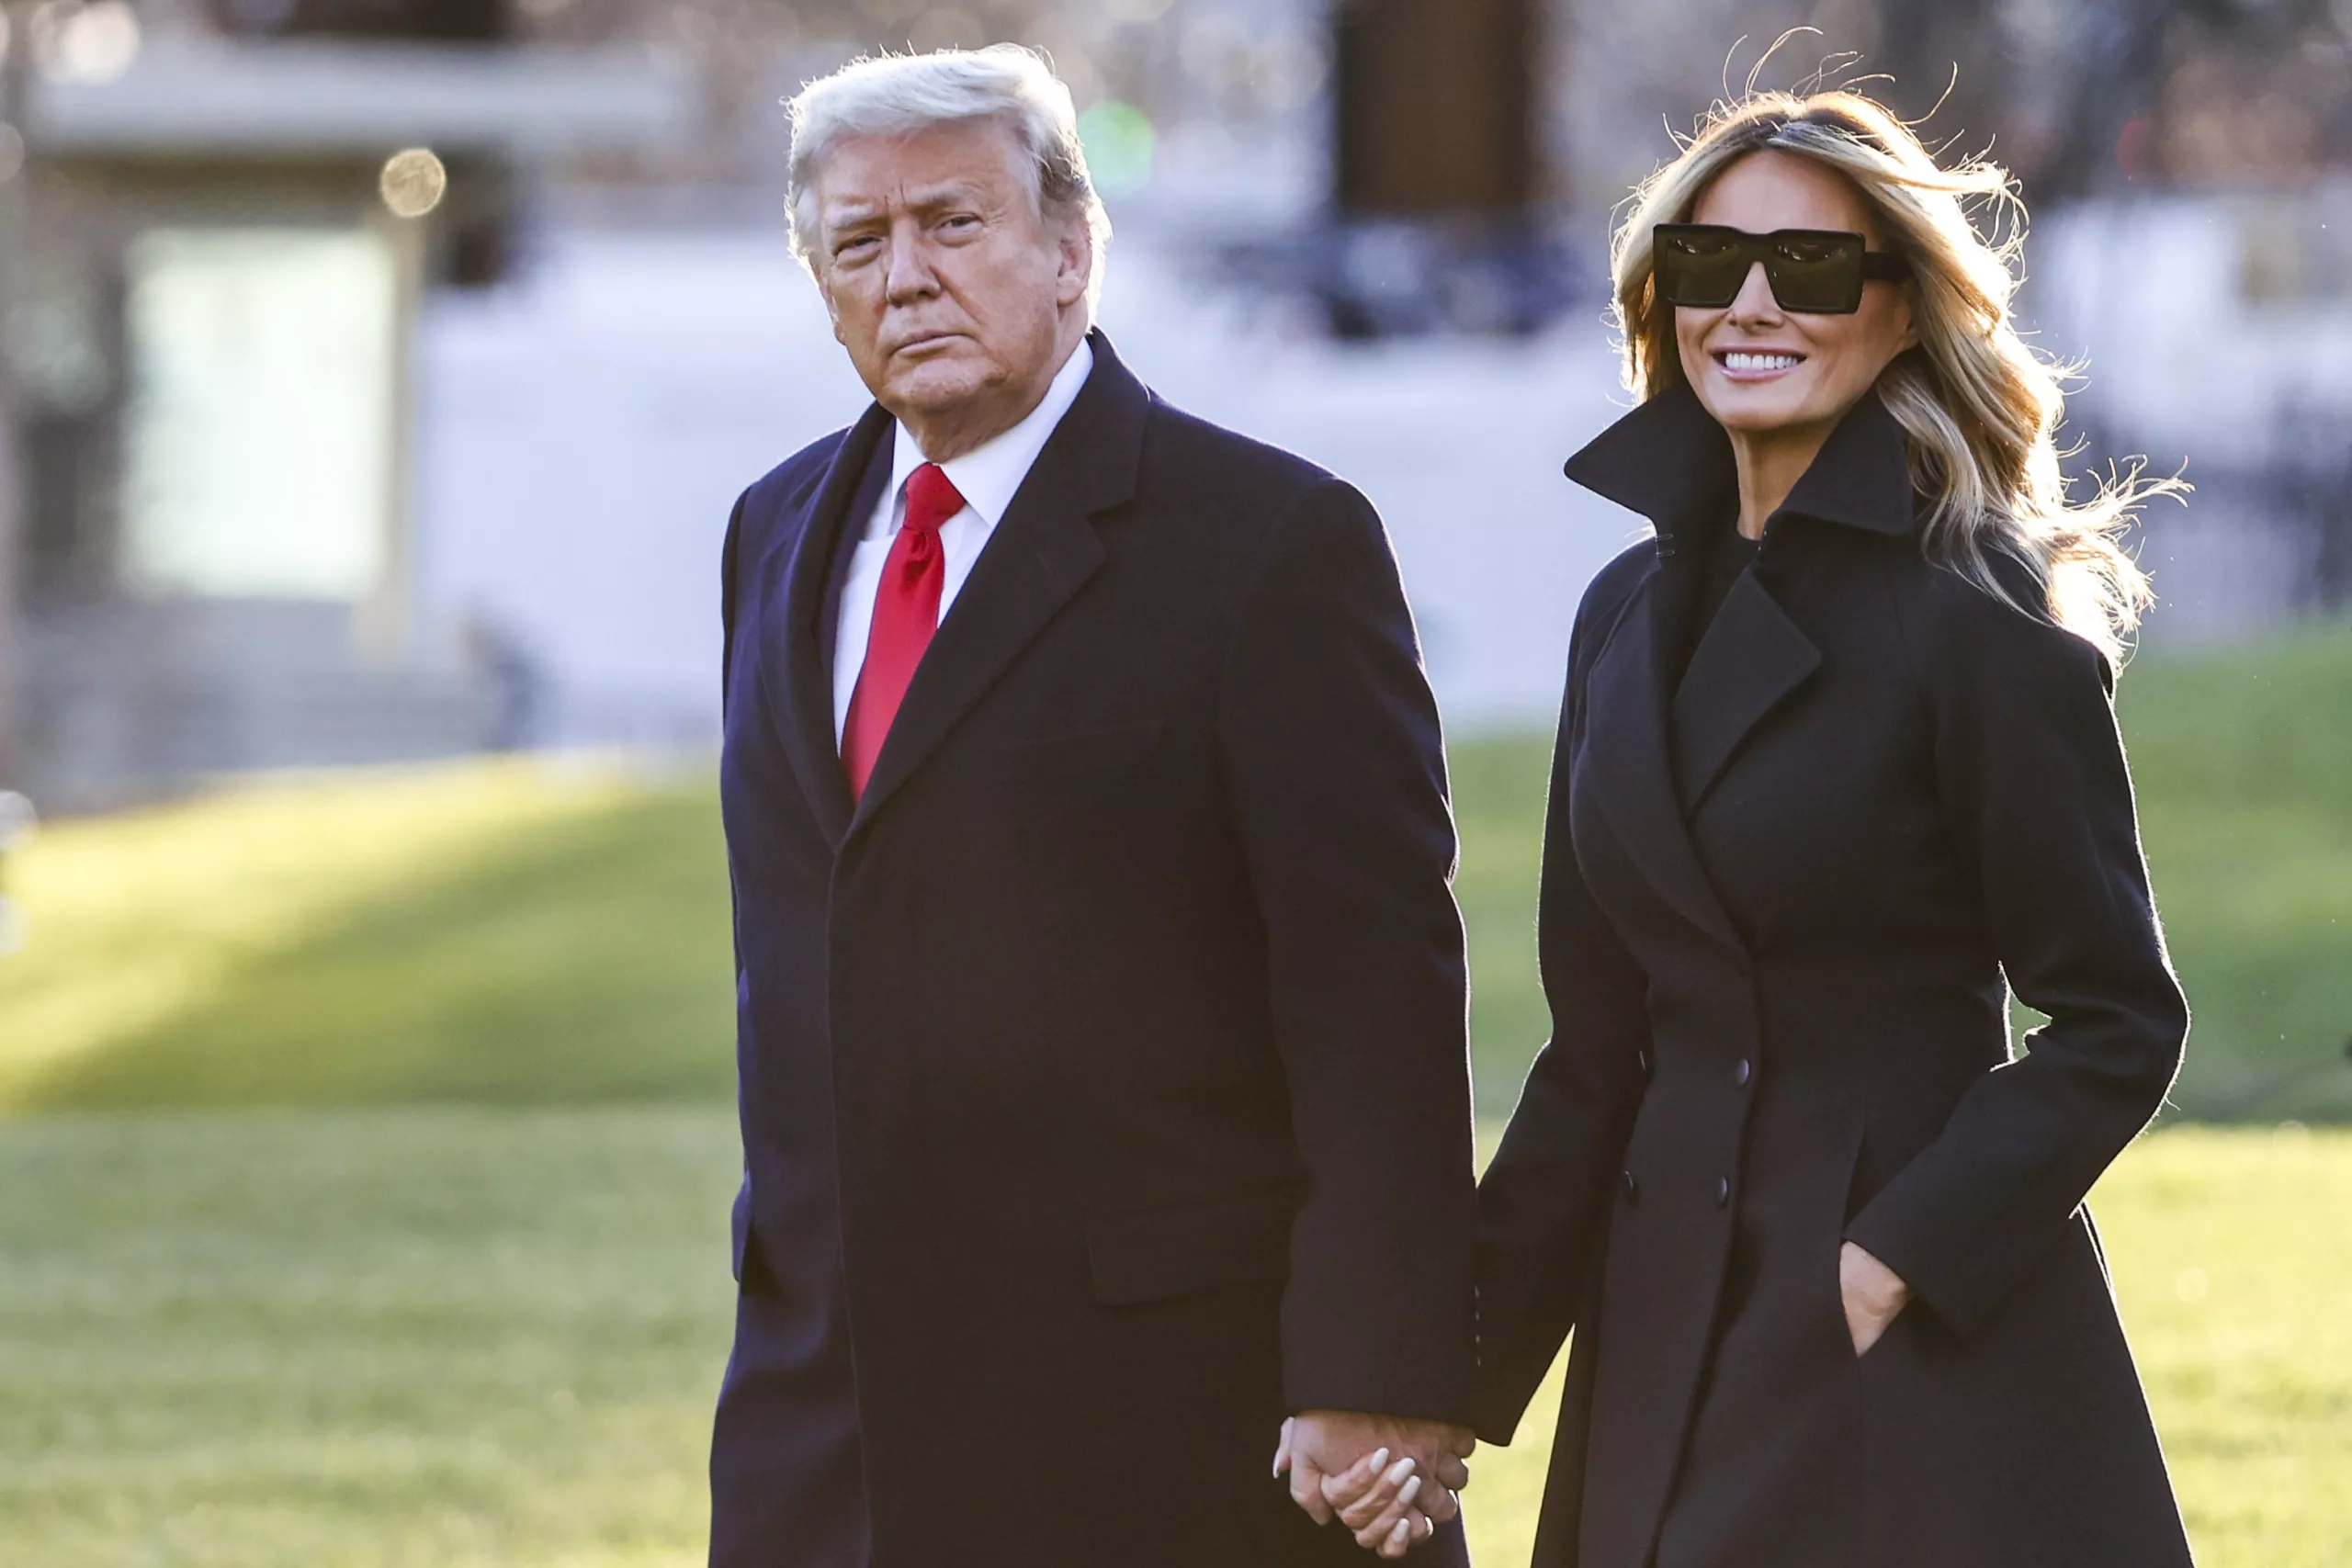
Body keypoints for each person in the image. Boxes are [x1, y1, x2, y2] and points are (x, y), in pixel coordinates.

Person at [1393, 89, 2194, 1568]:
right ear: (1665, 297)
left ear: (1902, 314)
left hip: (1904, 1339)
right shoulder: (1618, 620)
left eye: (1812, 269)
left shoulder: (1978, 626)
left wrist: (1895, 1255)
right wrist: (1454, 1377)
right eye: (1712, 263)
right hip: (1663, 1319)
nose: (1752, 305)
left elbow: (2116, 1020)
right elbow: (1594, 1052)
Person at [709, 46, 1477, 1568]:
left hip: (1168, 1419)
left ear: (1071, 250)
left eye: (953, 222)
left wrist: (1372, 1369)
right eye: (859, 242)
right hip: (828, 1423)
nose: (906, 274)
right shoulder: (773, 531)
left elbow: (1377, 998)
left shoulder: (1271, 545)